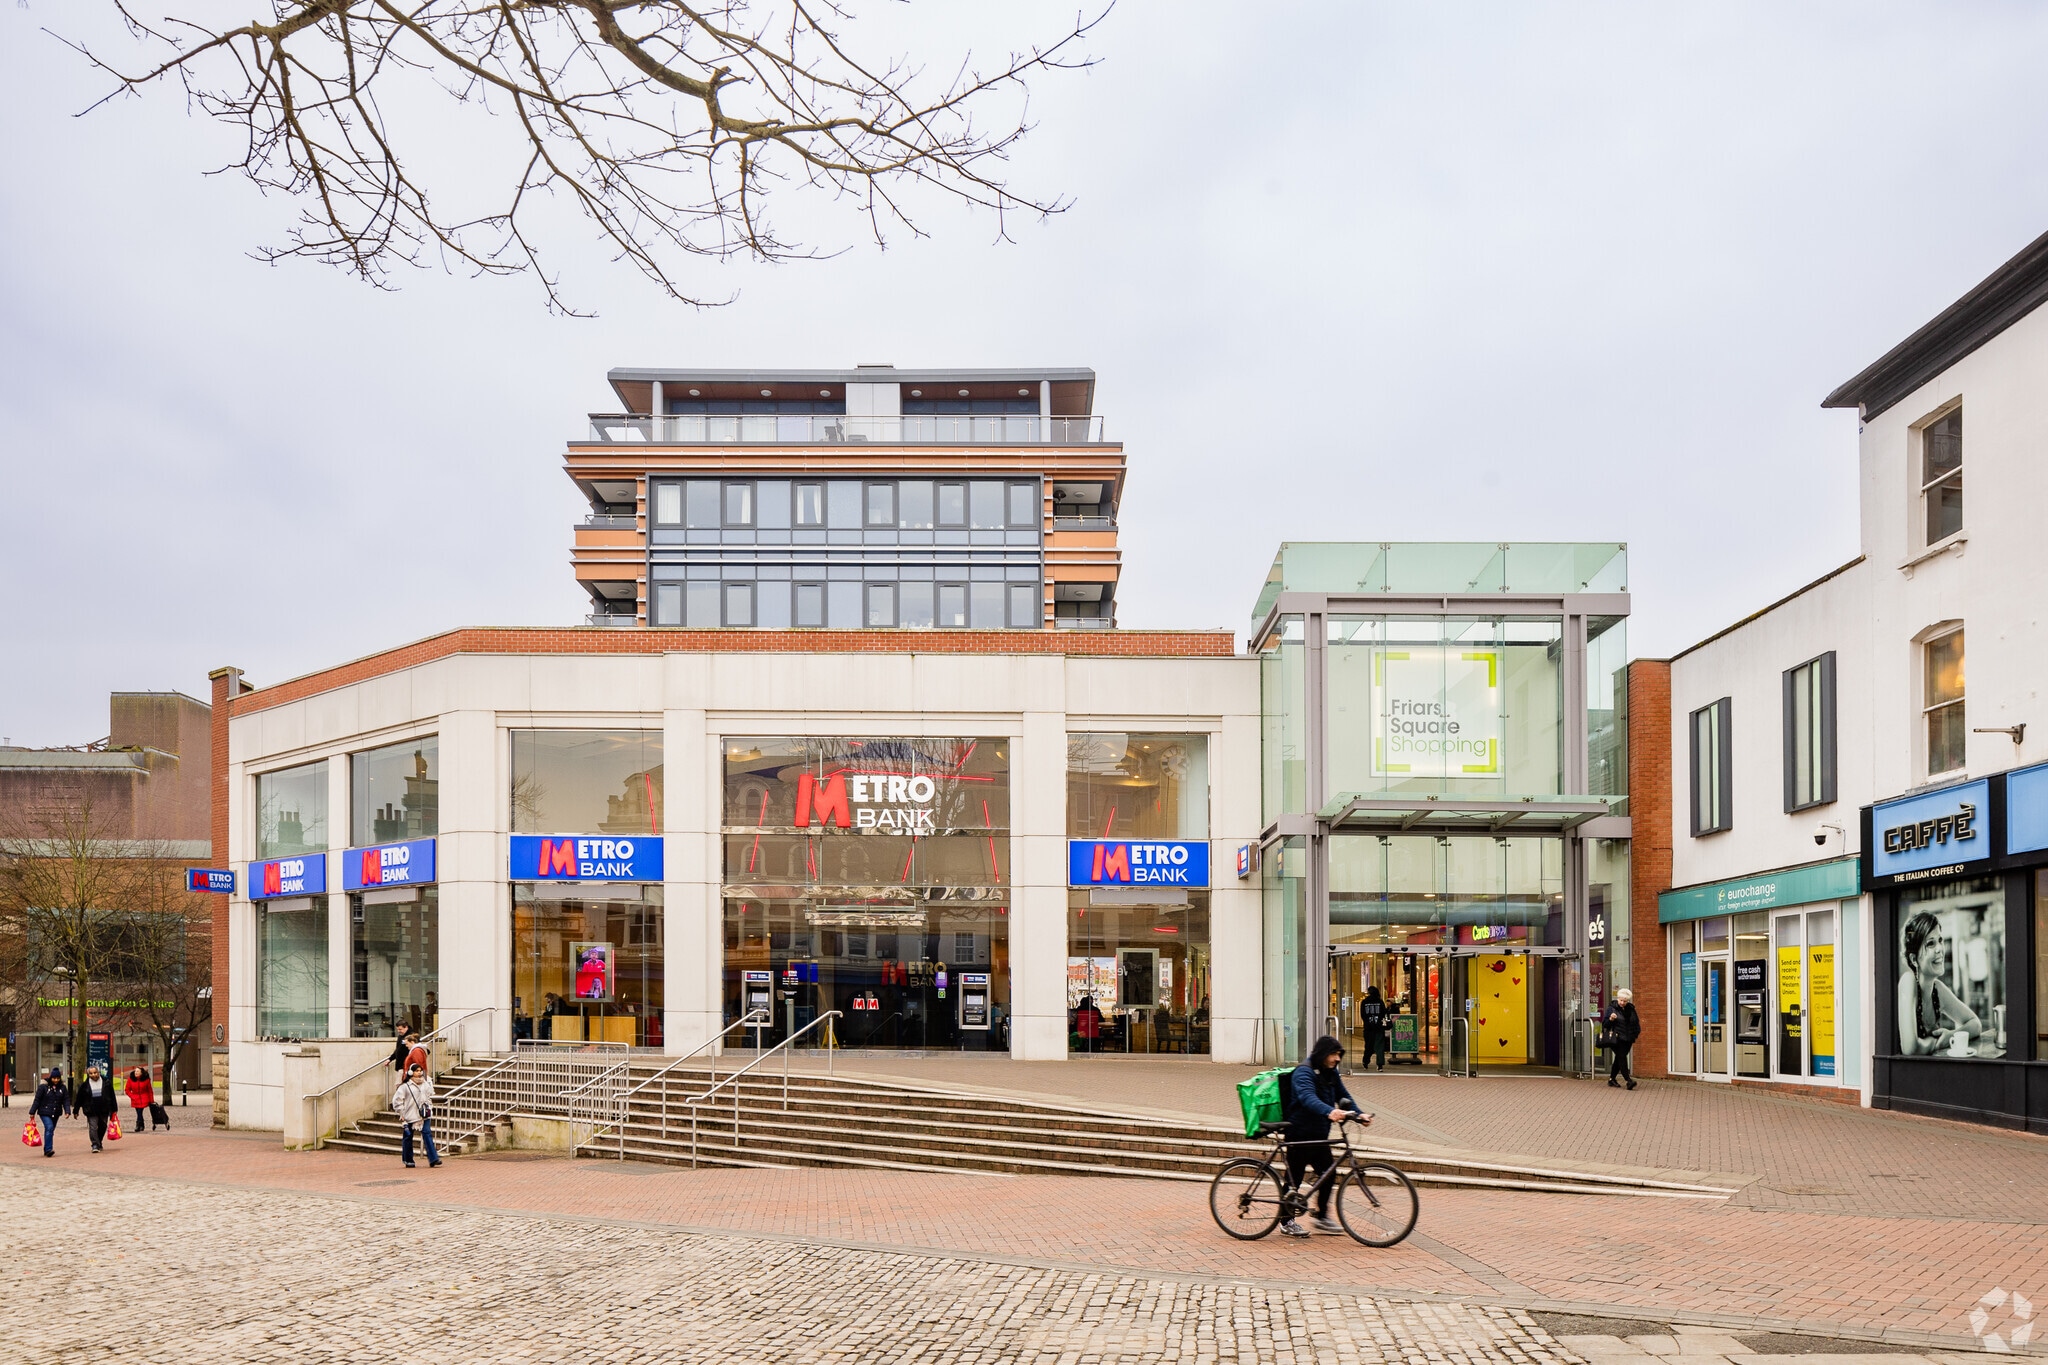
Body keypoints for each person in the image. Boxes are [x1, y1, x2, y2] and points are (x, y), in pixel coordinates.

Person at [1279, 1035, 1369, 1238]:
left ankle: (1321, 1216)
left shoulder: (1331, 1073)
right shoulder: (1304, 1072)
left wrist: (1358, 1114)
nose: (1337, 1058)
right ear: (1322, 1054)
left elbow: (1343, 1096)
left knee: (1328, 1174)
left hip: (1319, 1135)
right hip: (1299, 1134)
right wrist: (1329, 1111)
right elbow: (1307, 1097)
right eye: (1334, 1054)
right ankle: (1286, 1221)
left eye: (1339, 1054)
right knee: (1294, 1179)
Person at [391, 1062, 442, 1169]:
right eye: (416, 1071)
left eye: (420, 1071)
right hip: (410, 1115)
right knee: (408, 1137)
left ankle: (433, 1158)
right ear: (411, 1072)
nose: (419, 1073)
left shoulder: (426, 1084)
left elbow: (430, 1096)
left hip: (424, 1115)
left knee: (427, 1134)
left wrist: (429, 1107)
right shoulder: (405, 1086)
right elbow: (397, 1101)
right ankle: (408, 1160)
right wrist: (401, 1113)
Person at [72, 1065, 121, 1153]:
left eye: (95, 1073)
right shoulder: (84, 1085)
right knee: (93, 1127)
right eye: (91, 1073)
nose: (93, 1075)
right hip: (91, 1109)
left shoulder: (106, 1083)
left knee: (103, 1126)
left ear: (98, 1073)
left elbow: (112, 1096)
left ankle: (99, 1141)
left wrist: (114, 1109)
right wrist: (76, 1110)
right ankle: (95, 1144)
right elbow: (79, 1098)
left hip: (104, 1108)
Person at [1601, 989, 1642, 1089]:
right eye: (1621, 1000)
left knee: (1618, 1059)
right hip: (1616, 1039)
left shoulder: (1631, 1009)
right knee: (1622, 1057)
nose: (1622, 1003)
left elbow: (1636, 1022)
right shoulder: (1612, 1009)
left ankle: (1612, 1079)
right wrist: (1611, 1019)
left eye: (1625, 1001)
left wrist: (1635, 1033)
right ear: (1617, 999)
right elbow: (1605, 1024)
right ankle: (1628, 1080)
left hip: (1628, 1039)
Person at [31, 1068, 69, 1157]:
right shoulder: (43, 1087)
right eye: (54, 1078)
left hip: (56, 1112)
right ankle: (48, 1149)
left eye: (57, 1078)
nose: (56, 1080)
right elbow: (37, 1100)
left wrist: (67, 1111)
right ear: (51, 1077)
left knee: (50, 1130)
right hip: (44, 1111)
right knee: (49, 1127)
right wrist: (32, 1111)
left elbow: (66, 1100)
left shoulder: (62, 1088)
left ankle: (46, 1148)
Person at [1358, 985, 1389, 1072]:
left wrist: (1368, 1022)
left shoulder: (1364, 1002)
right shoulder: (1380, 1002)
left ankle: (1365, 1062)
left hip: (1368, 1028)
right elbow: (1384, 1013)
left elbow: (1363, 1015)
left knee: (1368, 1046)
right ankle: (1380, 1065)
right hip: (1378, 1027)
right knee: (1379, 1047)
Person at [124, 1067, 155, 1134]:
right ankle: (142, 1124)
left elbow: (150, 1090)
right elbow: (127, 1090)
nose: (136, 1072)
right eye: (135, 1071)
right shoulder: (130, 1079)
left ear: (141, 1073)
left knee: (139, 1111)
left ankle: (138, 1125)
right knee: (138, 1112)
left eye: (138, 1071)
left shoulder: (146, 1080)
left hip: (144, 1098)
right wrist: (132, 1096)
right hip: (135, 1098)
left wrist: (151, 1100)